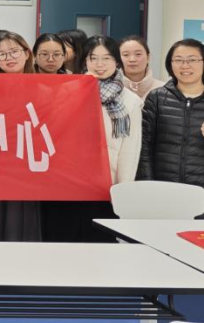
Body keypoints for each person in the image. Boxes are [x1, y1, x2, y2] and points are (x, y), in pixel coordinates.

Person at [50, 36, 144, 243]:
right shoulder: (67, 90)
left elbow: (129, 151)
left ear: (116, 61)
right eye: (93, 58)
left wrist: (122, 191)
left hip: (105, 185)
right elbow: (57, 130)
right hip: (68, 182)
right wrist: (82, 89)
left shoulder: (130, 101)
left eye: (106, 58)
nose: (99, 65)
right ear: (85, 61)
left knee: (99, 241)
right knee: (63, 240)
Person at [138, 39, 204, 216]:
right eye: (178, 60)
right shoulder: (157, 98)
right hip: (163, 190)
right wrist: (148, 185)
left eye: (192, 60)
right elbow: (144, 147)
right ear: (170, 64)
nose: (185, 65)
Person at [0, 32, 42, 242]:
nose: (9, 58)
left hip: (26, 170)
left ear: (27, 53)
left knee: (21, 228)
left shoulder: (43, 87)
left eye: (14, 52)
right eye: (2, 54)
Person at [119, 35, 164, 100]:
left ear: (148, 57)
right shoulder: (110, 89)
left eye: (138, 54)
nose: (132, 59)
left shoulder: (163, 89)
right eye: (126, 55)